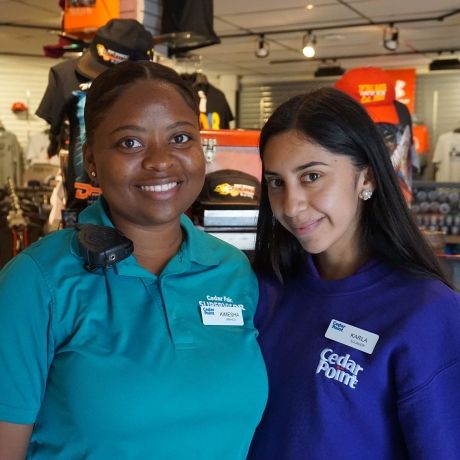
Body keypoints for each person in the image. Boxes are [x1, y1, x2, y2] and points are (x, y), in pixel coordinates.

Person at [0, 61, 267, 459]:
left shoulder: (232, 271)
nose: (161, 160)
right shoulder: (37, 281)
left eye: (180, 137)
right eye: (130, 143)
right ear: (90, 160)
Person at [247, 87, 460, 459]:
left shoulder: (427, 312)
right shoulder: (263, 289)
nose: (291, 205)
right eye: (276, 182)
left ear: (367, 178)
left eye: (312, 176)